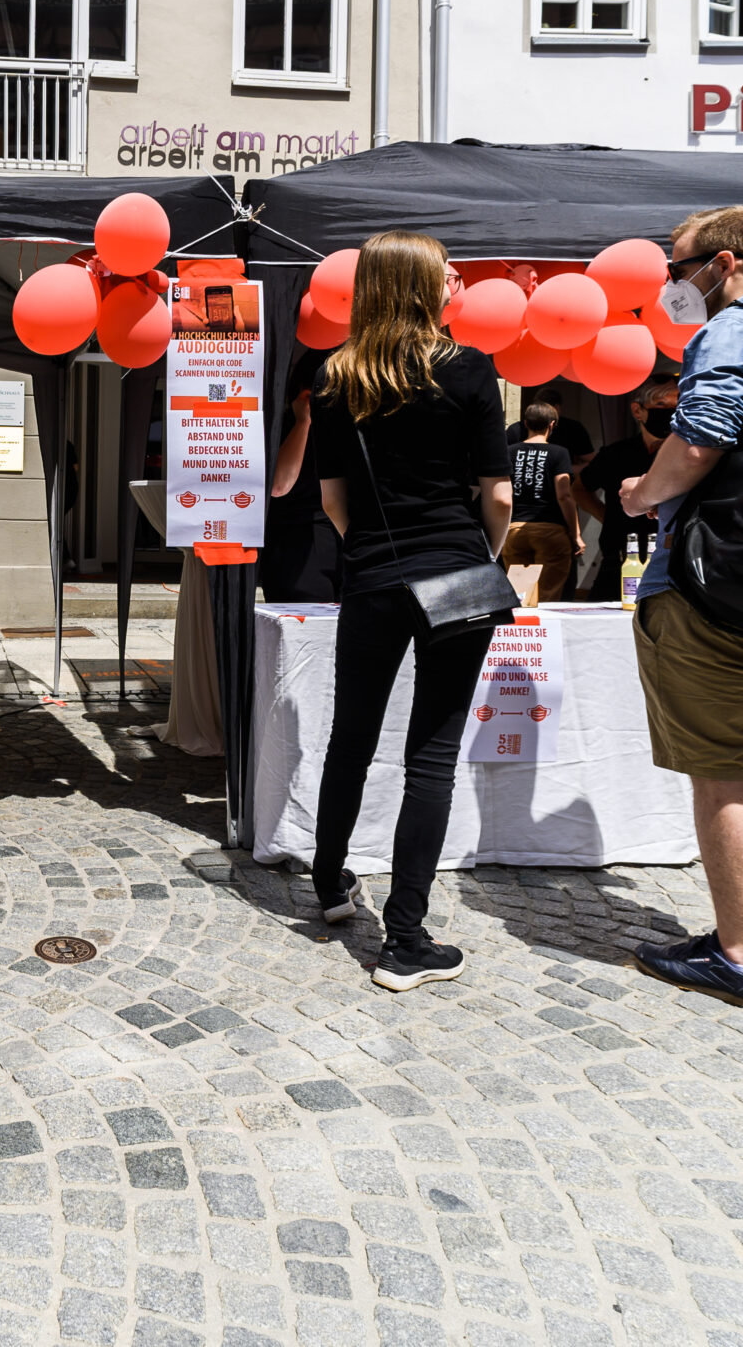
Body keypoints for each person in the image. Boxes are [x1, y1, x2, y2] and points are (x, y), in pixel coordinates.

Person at [620, 204, 743, 1015]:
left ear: (723, 261)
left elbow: (702, 435)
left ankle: (740, 957)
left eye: (678, 268)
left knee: (724, 773)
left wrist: (643, 490)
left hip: (716, 584)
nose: (674, 284)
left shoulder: (731, 329)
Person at [304, 231, 513, 996]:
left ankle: (330, 886)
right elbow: (497, 492)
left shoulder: (336, 377)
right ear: (424, 286)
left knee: (352, 737)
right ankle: (405, 938)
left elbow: (333, 500)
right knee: (431, 754)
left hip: (371, 571)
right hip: (456, 569)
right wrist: (480, 553)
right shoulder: (469, 370)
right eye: (448, 271)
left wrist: (374, 552)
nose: (457, 279)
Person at [576, 378, 678, 600]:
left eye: (677, 405)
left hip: (670, 563)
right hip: (619, 558)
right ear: (637, 410)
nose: (671, 412)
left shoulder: (686, 458)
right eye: (661, 405)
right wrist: (606, 516)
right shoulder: (615, 454)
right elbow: (579, 488)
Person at [262, 346, 341, 604]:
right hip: (296, 546)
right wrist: (303, 421)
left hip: (340, 544)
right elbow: (279, 485)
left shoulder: (346, 429)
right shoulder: (286, 426)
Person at [500, 401, 581, 601]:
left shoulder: (509, 452)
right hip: (550, 531)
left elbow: (503, 495)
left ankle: (523, 631)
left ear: (525, 424)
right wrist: (576, 534)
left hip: (514, 530)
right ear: (552, 424)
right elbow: (564, 495)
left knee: (521, 596)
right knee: (548, 596)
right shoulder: (559, 453)